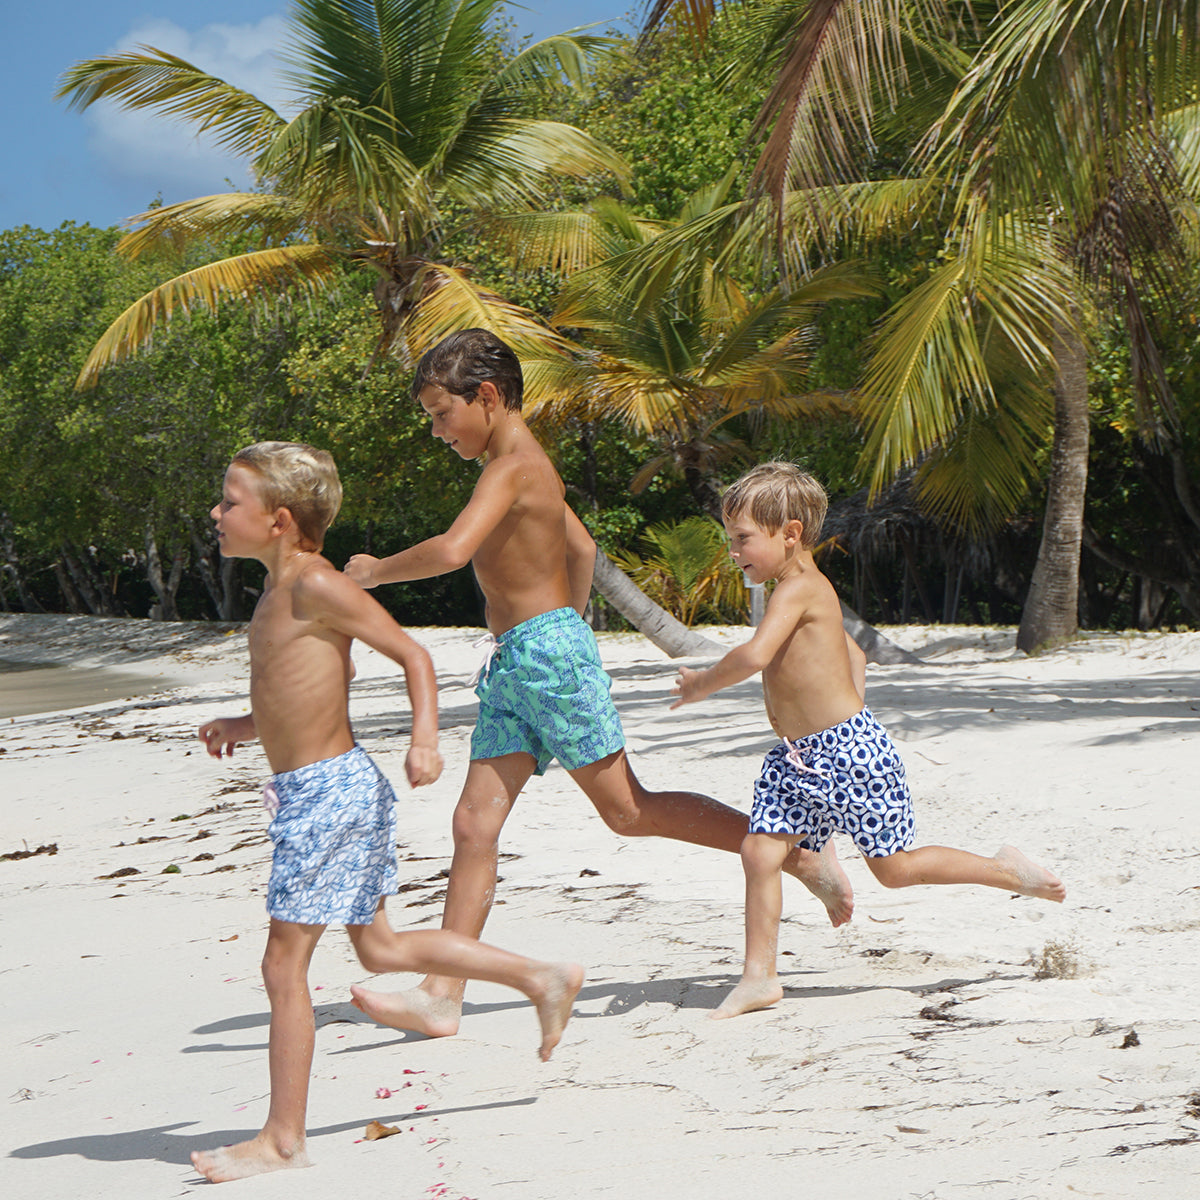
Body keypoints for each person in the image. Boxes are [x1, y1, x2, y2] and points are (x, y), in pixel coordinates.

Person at [342, 329, 854, 1039]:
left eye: (439, 413)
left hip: (545, 660)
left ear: (485, 397)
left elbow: (454, 550)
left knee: (628, 811)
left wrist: (373, 571)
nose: (435, 430)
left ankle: (795, 850)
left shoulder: (511, 467)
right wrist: (568, 619)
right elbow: (580, 545)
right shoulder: (525, 465)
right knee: (473, 824)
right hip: (518, 662)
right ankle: (442, 993)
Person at [190, 441, 582, 1184]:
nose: (216, 513)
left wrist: (425, 737)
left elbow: (412, 655)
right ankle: (541, 976)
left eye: (228, 501)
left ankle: (282, 1139)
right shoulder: (278, 593)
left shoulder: (316, 585)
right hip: (325, 792)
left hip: (329, 796)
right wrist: (242, 726)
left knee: (284, 964)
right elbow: (296, 689)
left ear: (277, 521)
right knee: (381, 949)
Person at [670, 461, 1066, 1020]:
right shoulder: (796, 589)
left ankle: (1007, 870)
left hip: (850, 753)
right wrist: (838, 703)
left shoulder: (802, 587)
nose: (734, 551)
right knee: (759, 852)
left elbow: (756, 656)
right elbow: (853, 654)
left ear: (789, 533)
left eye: (742, 539)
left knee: (895, 870)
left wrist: (701, 684)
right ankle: (759, 977)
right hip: (798, 758)